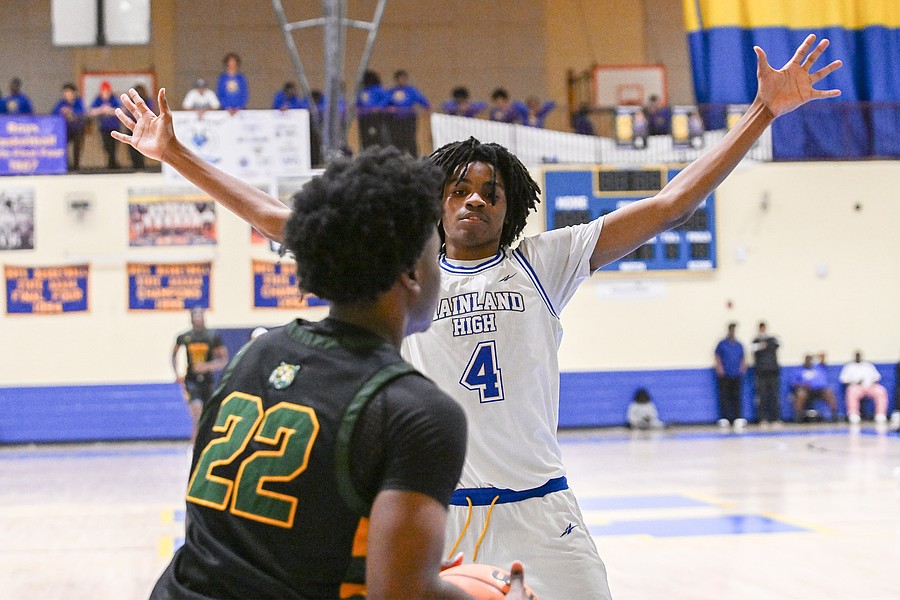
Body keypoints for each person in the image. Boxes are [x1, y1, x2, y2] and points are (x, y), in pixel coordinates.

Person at [112, 34, 842, 600]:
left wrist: (760, 115)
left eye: (491, 192)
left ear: (510, 206)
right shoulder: (400, 267)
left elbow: (670, 203)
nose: (474, 201)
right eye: (459, 189)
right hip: (433, 510)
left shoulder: (545, 261)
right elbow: (281, 217)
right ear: (434, 202)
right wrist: (174, 153)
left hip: (540, 510)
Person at [151, 146, 528, 599]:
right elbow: (401, 595)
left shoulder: (256, 355)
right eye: (435, 254)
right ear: (412, 272)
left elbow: (237, 534)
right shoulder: (418, 412)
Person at [172, 307, 228, 444]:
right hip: (191, 380)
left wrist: (208, 366)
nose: (197, 319)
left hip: (208, 381)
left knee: (210, 414)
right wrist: (177, 373)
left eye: (200, 316)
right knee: (196, 412)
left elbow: (223, 359)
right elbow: (174, 354)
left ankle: (208, 442)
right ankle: (195, 444)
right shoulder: (185, 337)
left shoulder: (212, 336)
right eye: (195, 316)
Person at [387, 69, 430, 157]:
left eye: (403, 78)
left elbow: (422, 100)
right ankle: (398, 157)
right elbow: (386, 103)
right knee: (397, 140)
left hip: (409, 119)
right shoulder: (391, 92)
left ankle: (414, 158)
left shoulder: (412, 91)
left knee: (410, 139)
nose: (402, 80)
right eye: (400, 78)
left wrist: (427, 107)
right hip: (396, 120)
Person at [839, 351, 889, 424]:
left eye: (859, 355)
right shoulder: (849, 366)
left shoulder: (868, 365)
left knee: (881, 390)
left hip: (870, 386)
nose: (858, 357)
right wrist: (855, 382)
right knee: (851, 391)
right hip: (856, 387)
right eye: (857, 355)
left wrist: (871, 383)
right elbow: (844, 380)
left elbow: (877, 377)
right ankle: (854, 414)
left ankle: (880, 414)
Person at [715, 322, 746, 429]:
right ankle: (725, 418)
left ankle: (737, 418)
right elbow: (717, 356)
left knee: (736, 396)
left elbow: (743, 357)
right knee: (724, 396)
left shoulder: (739, 345)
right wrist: (719, 367)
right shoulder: (722, 344)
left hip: (736, 374)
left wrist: (742, 367)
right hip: (725, 375)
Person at [790, 354, 839, 422]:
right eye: (807, 360)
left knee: (829, 392)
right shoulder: (798, 370)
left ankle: (834, 415)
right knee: (801, 394)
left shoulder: (818, 368)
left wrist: (815, 356)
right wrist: (803, 384)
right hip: (806, 390)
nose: (808, 362)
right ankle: (798, 417)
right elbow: (793, 383)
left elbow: (822, 355)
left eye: (810, 360)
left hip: (819, 390)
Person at [751, 321, 782, 426]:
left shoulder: (772, 339)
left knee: (774, 395)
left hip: (773, 372)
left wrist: (765, 345)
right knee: (762, 396)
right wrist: (761, 346)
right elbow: (754, 349)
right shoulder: (755, 341)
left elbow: (778, 344)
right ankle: (763, 418)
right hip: (761, 373)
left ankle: (775, 418)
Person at [51, 83, 86, 171]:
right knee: (62, 145)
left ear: (74, 93)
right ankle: (66, 165)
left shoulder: (78, 102)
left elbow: (81, 112)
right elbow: (53, 112)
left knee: (77, 146)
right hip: (65, 130)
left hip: (77, 129)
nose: (67, 95)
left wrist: (71, 112)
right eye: (65, 92)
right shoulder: (62, 103)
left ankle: (76, 166)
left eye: (69, 92)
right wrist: (61, 111)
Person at [89, 81, 122, 169]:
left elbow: (120, 110)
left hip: (114, 127)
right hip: (103, 127)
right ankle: (111, 162)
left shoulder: (114, 99)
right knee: (106, 145)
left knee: (113, 146)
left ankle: (113, 162)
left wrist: (110, 110)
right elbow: (91, 111)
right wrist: (101, 110)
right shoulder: (98, 100)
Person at [356, 69, 390, 149]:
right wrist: (358, 108)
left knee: (375, 134)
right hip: (363, 117)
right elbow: (359, 102)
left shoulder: (378, 89)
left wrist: (378, 107)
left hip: (375, 116)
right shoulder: (362, 91)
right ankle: (365, 149)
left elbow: (386, 99)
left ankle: (377, 150)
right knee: (364, 135)